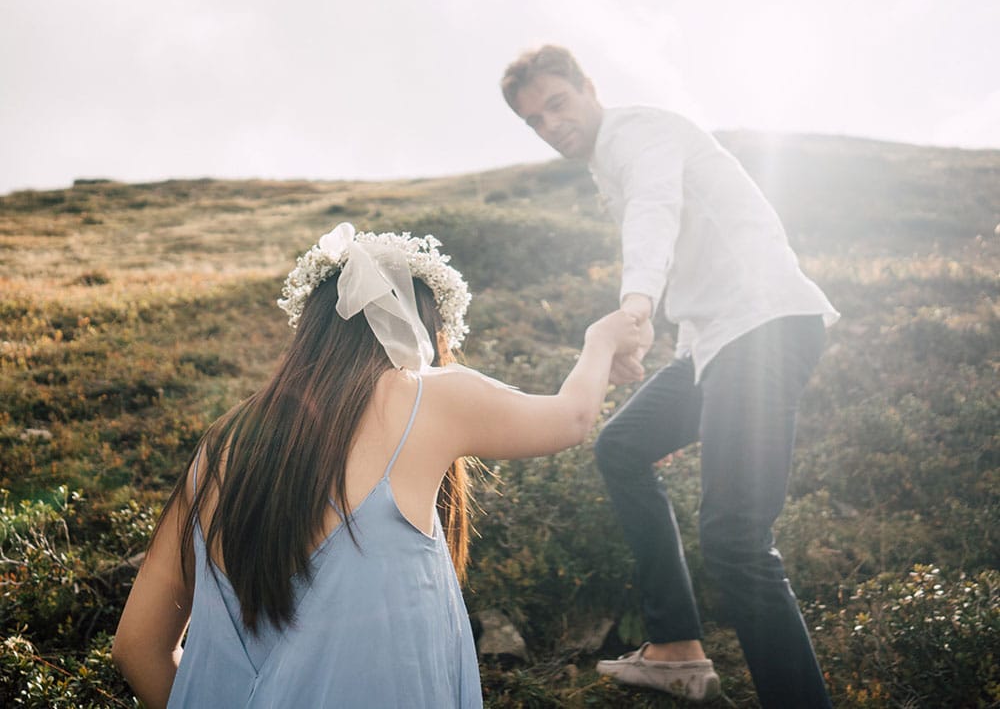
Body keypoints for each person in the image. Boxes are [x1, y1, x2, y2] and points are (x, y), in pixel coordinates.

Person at [113, 221, 640, 709]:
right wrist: (602, 342)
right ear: (425, 331)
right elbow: (571, 419)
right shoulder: (423, 396)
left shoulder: (221, 443)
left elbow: (136, 646)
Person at [501, 45, 839, 707]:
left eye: (557, 104)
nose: (551, 125)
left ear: (588, 88)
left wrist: (635, 306)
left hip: (764, 331)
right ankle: (678, 647)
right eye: (535, 120)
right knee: (622, 445)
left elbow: (655, 210)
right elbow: (698, 260)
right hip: (717, 344)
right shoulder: (607, 161)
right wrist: (670, 347)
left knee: (736, 541)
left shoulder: (638, 134)